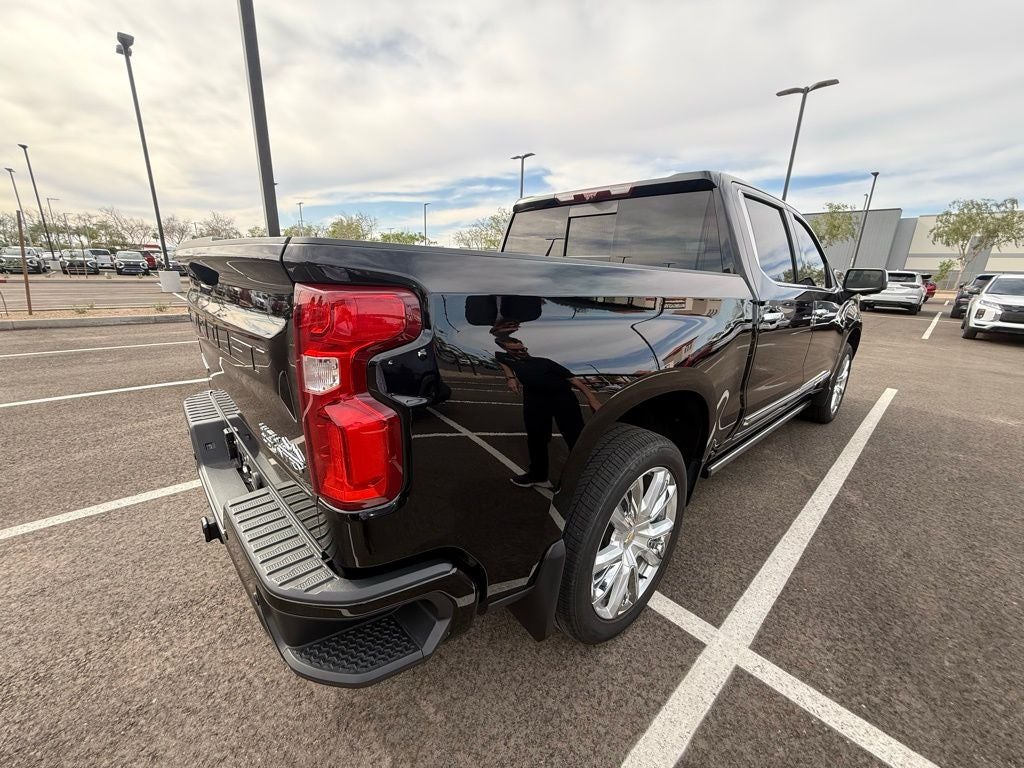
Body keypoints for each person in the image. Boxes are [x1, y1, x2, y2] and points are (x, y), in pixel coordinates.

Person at [495, 337, 601, 488]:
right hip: (534, 400)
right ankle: (538, 476)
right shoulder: (505, 358)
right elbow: (501, 359)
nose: (521, 352)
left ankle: (589, 476)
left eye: (523, 349)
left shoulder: (543, 362)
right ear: (507, 350)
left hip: (562, 398)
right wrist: (510, 377)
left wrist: (592, 399)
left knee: (575, 436)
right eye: (515, 350)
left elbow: (574, 381)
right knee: (536, 438)